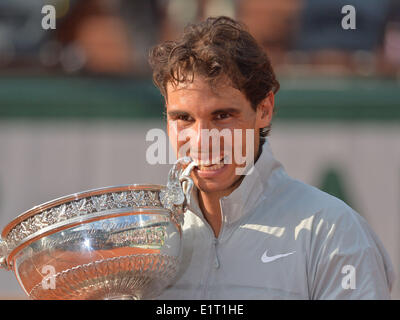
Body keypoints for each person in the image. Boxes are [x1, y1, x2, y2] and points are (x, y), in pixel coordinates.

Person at [148, 16, 395, 299]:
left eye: (222, 116)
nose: (202, 140)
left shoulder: (334, 234)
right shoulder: (145, 240)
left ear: (264, 110)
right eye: (183, 118)